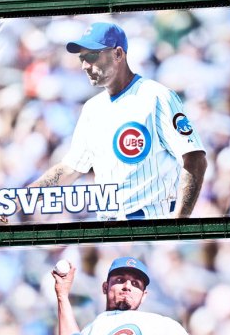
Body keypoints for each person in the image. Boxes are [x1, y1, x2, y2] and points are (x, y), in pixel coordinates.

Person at [27, 22, 208, 220]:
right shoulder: (91, 109)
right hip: (110, 228)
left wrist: (179, 222)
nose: (84, 65)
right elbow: (71, 168)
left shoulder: (157, 96)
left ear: (118, 54)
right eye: (82, 58)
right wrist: (22, 199)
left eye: (92, 56)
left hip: (152, 225)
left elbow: (195, 158)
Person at [53, 257, 206, 335]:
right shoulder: (91, 329)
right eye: (120, 280)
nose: (127, 286)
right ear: (105, 287)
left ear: (144, 295)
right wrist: (62, 295)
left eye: (135, 284)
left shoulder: (162, 325)